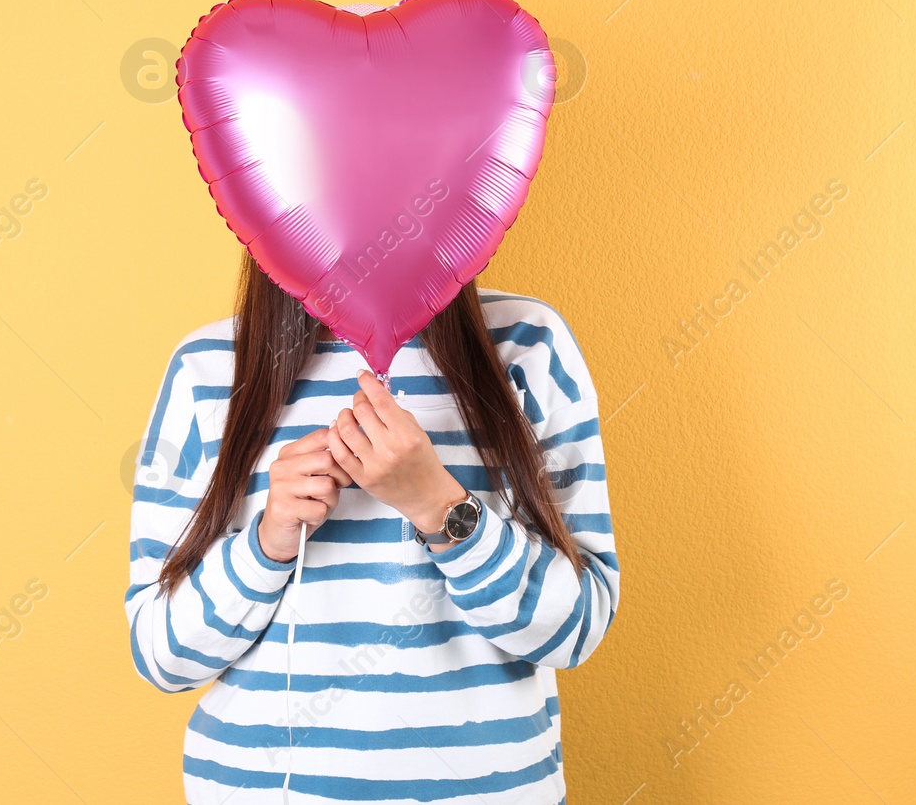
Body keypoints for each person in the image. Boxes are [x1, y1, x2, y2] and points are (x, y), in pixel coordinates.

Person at [126, 253, 619, 804]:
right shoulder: (209, 367)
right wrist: (267, 544)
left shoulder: (527, 346)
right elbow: (161, 655)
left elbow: (578, 628)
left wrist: (439, 505)